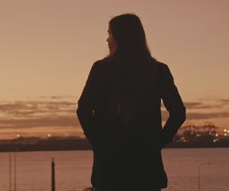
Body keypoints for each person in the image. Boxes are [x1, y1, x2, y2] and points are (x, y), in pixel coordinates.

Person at [77, 14, 186, 191]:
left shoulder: (101, 69)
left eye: (109, 33)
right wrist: (158, 142)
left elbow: (83, 110)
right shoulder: (158, 71)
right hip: (146, 167)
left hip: (110, 167)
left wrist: (99, 141)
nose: (107, 39)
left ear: (119, 37)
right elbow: (178, 112)